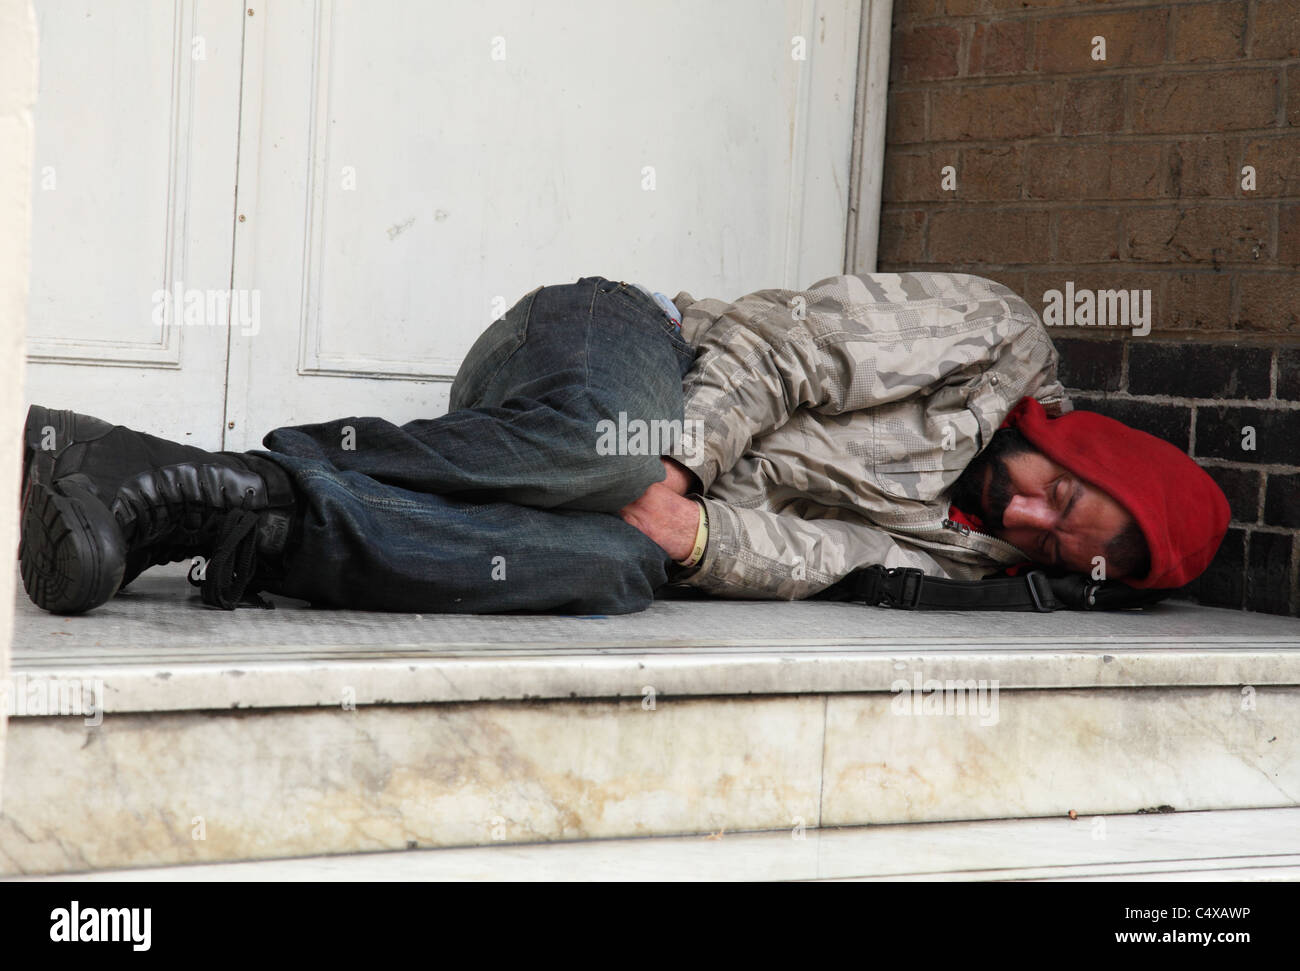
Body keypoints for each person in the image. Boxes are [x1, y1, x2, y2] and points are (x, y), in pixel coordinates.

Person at [18, 272, 1229, 616]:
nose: (1034, 527)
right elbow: (777, 349)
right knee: (609, 454)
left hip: (599, 472)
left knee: (617, 570)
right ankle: (189, 470)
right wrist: (684, 462)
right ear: (1087, 449)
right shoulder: (997, 338)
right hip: (612, 346)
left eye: (1068, 552)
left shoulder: (978, 561)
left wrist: (698, 533)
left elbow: (815, 552)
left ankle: (241, 524)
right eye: (1063, 501)